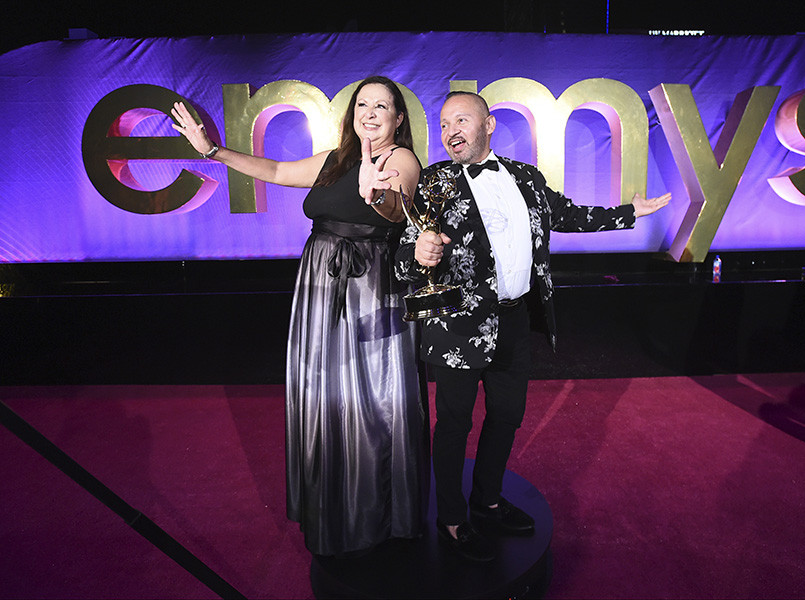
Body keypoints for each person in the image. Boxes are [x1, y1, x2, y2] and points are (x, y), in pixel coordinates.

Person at [393, 91, 671, 562]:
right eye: (443, 124)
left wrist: (630, 214)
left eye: (462, 119)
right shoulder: (433, 182)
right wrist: (417, 255)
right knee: (454, 424)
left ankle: (487, 500)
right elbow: (402, 255)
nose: (451, 131)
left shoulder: (525, 177)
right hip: (457, 325)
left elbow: (568, 215)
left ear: (490, 124)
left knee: (506, 417)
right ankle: (453, 518)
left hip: (515, 319)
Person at [170, 76, 428, 557]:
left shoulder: (401, 160)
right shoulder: (336, 160)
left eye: (382, 107)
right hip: (319, 282)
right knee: (325, 393)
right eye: (363, 105)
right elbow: (275, 168)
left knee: (369, 399)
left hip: (367, 287)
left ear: (397, 119)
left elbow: (400, 210)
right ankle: (333, 501)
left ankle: (374, 513)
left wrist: (377, 196)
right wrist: (213, 151)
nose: (370, 113)